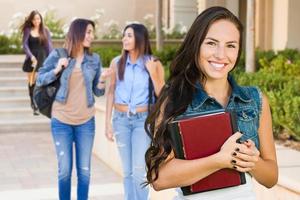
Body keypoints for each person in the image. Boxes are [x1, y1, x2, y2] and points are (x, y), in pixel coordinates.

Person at [144, 6, 278, 200]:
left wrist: (252, 162)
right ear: (196, 45)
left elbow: (271, 177)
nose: (221, 54)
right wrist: (219, 160)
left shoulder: (255, 100)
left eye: (231, 45)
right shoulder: (175, 99)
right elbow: (158, 179)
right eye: (211, 43)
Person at [36, 18, 111, 200]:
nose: (91, 36)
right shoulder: (58, 54)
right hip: (61, 120)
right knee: (64, 171)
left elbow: (97, 92)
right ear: (77, 33)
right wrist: (57, 69)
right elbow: (40, 79)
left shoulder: (94, 59)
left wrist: (102, 80)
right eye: (88, 32)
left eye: (92, 32)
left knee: (84, 172)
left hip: (86, 122)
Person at [105, 23, 165, 200]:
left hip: (142, 121)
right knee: (127, 172)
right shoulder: (117, 63)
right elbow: (110, 93)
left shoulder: (154, 63)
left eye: (129, 35)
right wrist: (107, 123)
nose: (124, 39)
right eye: (124, 36)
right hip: (121, 120)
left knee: (139, 171)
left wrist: (153, 73)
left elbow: (162, 95)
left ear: (140, 38)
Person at [20, 10, 53, 115]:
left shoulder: (45, 30)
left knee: (40, 82)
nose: (36, 21)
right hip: (31, 60)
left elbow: (48, 47)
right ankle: (33, 104)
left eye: (38, 18)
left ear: (41, 19)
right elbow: (25, 45)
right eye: (34, 19)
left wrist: (52, 59)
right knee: (31, 82)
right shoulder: (27, 30)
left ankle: (39, 103)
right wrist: (31, 56)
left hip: (42, 58)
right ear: (31, 20)